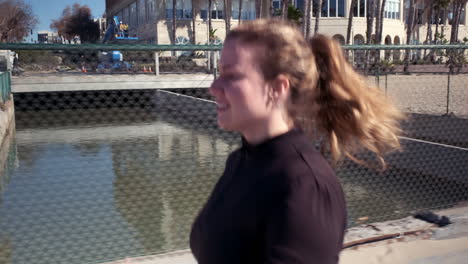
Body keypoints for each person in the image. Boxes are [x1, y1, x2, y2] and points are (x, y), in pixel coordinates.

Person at [190, 19, 403, 264]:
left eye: (232, 75)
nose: (214, 86)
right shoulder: (240, 161)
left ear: (278, 88)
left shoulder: (305, 186)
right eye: (219, 73)